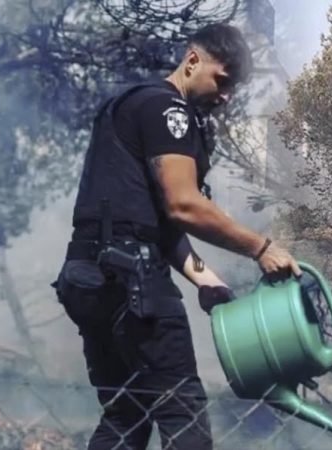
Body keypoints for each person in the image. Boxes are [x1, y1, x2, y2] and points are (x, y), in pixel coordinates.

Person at [51, 23, 301, 450]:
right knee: (182, 411)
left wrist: (207, 280)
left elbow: (150, 225)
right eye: (222, 80)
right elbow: (183, 205)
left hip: (88, 277)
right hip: (134, 285)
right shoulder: (169, 109)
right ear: (192, 61)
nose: (226, 96)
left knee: (127, 415)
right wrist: (261, 247)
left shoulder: (128, 105)